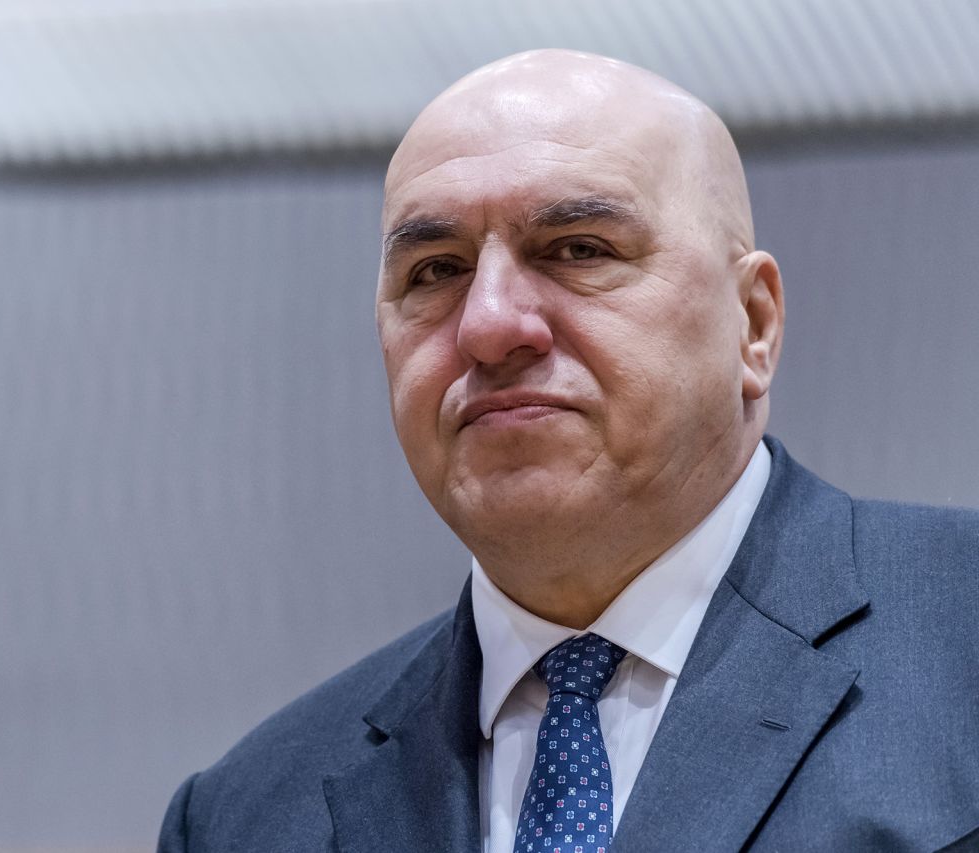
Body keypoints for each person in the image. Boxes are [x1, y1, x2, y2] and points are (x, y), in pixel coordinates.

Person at [157, 49, 979, 852]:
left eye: (580, 248)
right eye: (435, 270)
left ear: (753, 324)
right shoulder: (243, 816)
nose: (487, 325)